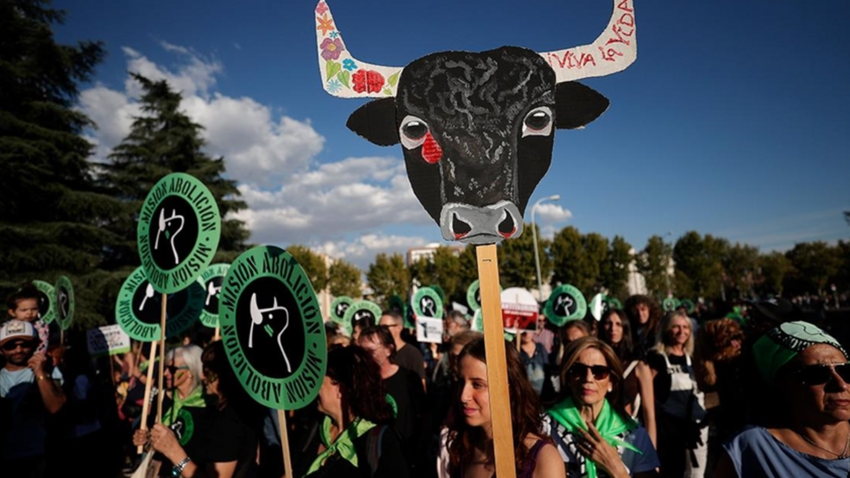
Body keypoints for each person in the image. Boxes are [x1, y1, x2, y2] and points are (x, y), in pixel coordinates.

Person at [714, 321, 850, 477]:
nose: (841, 385)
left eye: (846, 372)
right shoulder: (751, 448)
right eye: (817, 374)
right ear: (781, 384)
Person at [134, 340, 261, 478]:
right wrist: (148, 441)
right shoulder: (234, 409)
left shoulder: (224, 416)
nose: (202, 376)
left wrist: (175, 452)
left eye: (207, 370)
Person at [443, 337, 565, 478]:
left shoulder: (542, 460)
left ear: (509, 390)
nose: (463, 396)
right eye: (460, 382)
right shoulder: (462, 450)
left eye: (477, 385)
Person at [543, 336, 659, 478]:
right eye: (578, 370)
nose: (588, 378)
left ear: (611, 382)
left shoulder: (634, 435)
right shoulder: (543, 429)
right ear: (568, 377)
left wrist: (616, 469)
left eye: (599, 372)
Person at [299, 345, 409, 477]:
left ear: (340, 389)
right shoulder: (316, 427)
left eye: (320, 382)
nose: (316, 388)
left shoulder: (380, 441)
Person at [0, 320, 65, 476]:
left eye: (24, 344)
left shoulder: (48, 371)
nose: (18, 350)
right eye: (11, 346)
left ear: (35, 345)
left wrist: (40, 373)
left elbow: (55, 407)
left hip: (36, 459)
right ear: (1, 350)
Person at [646, 311, 706, 478]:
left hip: (693, 428)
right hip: (668, 431)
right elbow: (647, 392)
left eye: (686, 327)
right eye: (676, 327)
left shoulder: (691, 358)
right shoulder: (656, 358)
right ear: (666, 329)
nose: (682, 331)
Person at [357, 325, 425, 472]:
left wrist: (418, 455)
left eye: (370, 351)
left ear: (389, 349)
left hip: (407, 460)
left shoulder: (409, 379)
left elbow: (423, 418)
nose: (364, 358)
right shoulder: (360, 383)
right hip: (372, 462)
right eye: (361, 352)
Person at [597, 309, 656, 447]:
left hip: (629, 437)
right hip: (600, 436)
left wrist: (652, 451)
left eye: (618, 324)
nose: (613, 328)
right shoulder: (595, 361)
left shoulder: (638, 365)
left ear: (625, 328)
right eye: (608, 323)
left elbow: (649, 414)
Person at [161, 345, 207, 427]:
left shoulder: (205, 402)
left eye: (172, 369)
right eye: (166, 368)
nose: (165, 373)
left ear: (190, 372)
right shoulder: (162, 398)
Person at [379, 310, 426, 388]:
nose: (381, 331)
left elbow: (421, 386)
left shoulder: (412, 354)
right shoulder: (378, 351)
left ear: (399, 328)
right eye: (379, 327)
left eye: (385, 327)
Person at [6, 284, 49, 354]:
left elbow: (43, 343)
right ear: (12, 312)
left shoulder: (41, 326)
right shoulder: (6, 327)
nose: (29, 313)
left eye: (34, 309)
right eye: (24, 310)